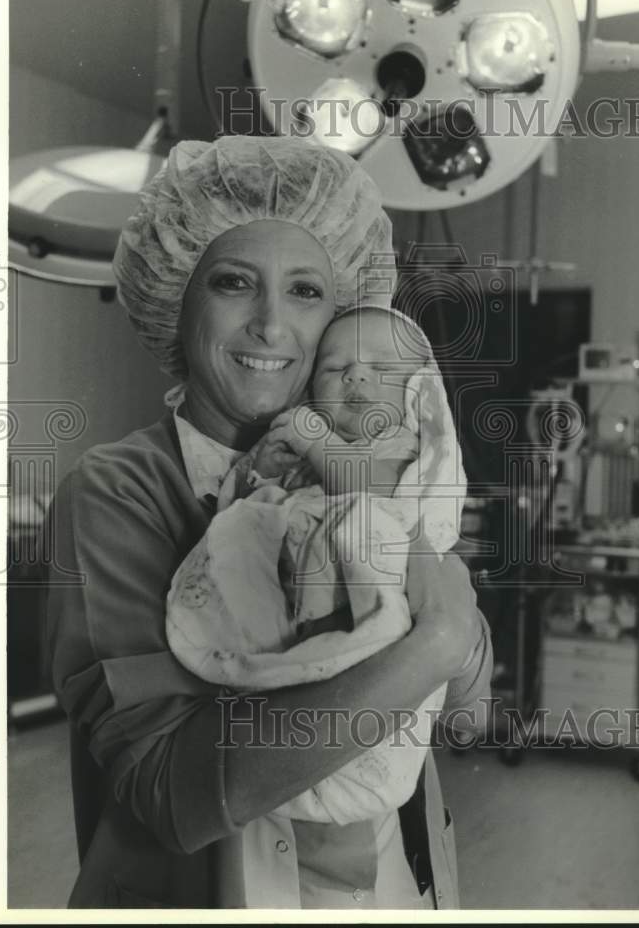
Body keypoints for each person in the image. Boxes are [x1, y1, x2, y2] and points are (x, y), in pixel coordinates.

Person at [45, 135, 492, 910]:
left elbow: (464, 714)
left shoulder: (391, 468)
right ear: (175, 302)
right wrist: (440, 636)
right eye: (233, 282)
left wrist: (433, 600)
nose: (271, 325)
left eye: (307, 292)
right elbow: (167, 792)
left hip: (394, 889)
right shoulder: (118, 491)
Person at [165, 304, 468, 826]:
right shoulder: (307, 450)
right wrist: (260, 473)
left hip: (371, 623)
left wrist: (315, 442)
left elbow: (381, 502)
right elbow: (242, 512)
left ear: (419, 392)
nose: (356, 375)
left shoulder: (404, 448)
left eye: (383, 367)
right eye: (333, 367)